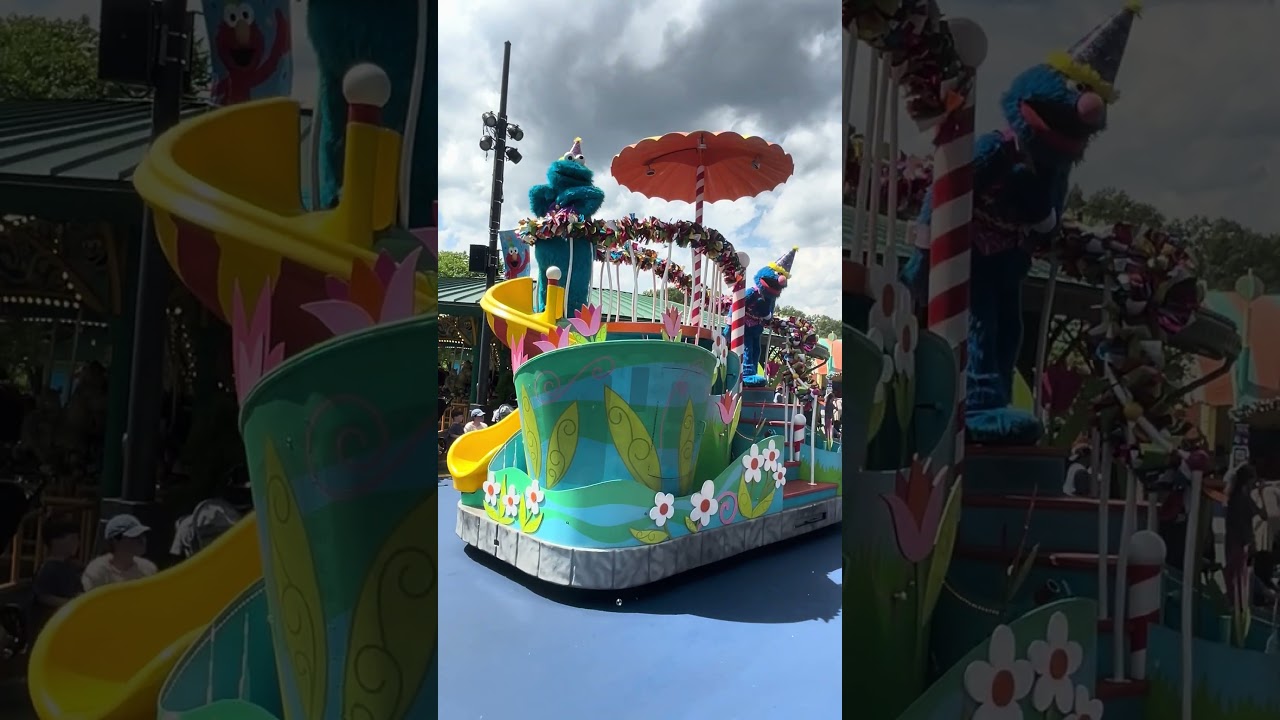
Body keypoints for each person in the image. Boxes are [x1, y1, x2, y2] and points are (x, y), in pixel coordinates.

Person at [1225, 463, 1268, 608]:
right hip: (1241, 543)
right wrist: (1261, 493)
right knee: (1241, 577)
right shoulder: (1244, 499)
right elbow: (1264, 515)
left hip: (1232, 542)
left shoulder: (1235, 496)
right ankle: (1262, 595)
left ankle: (1237, 604)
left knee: (1235, 576)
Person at [30, 520, 84, 632]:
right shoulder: (48, 568)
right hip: (52, 626)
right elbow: (43, 597)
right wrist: (72, 604)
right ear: (56, 541)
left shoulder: (70, 567)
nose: (77, 543)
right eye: (73, 538)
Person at [82, 514, 158, 591]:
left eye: (142, 535)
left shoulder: (148, 569)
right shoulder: (97, 572)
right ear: (115, 540)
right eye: (135, 536)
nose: (142, 540)